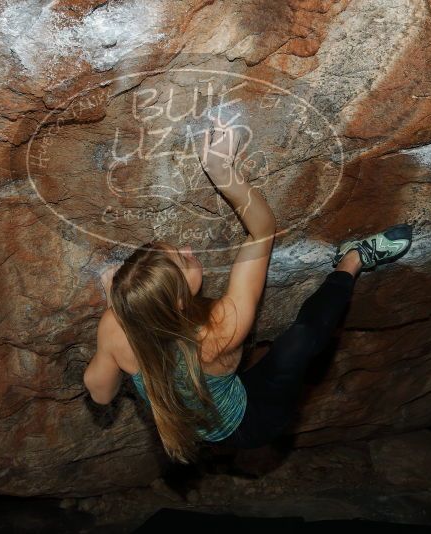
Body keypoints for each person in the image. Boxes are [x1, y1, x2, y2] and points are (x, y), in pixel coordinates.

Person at [83, 115, 413, 464]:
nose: (189, 251)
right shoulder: (220, 332)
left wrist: (122, 310)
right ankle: (353, 260)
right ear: (178, 302)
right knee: (297, 343)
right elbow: (262, 232)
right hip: (250, 422)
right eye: (184, 260)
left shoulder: (115, 322)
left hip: (200, 411)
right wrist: (222, 171)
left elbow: (101, 395)